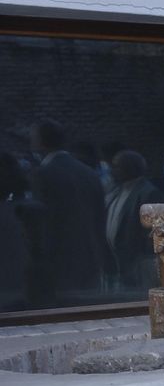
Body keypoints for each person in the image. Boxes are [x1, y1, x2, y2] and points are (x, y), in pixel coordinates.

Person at [29, 119, 107, 295]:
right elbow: (100, 217)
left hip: (59, 258)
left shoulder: (43, 174)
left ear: (40, 142)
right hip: (90, 256)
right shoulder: (88, 173)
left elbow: (43, 222)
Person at [103, 150, 164, 288]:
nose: (112, 170)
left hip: (137, 266)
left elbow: (154, 234)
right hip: (117, 264)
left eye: (116, 166)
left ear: (130, 168)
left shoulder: (148, 193)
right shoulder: (115, 191)